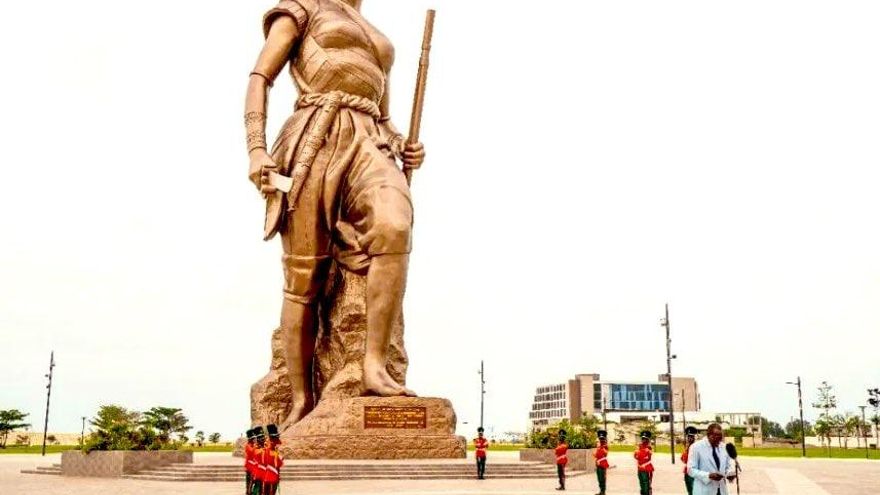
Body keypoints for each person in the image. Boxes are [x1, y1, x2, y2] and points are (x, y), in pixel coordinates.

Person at [244, 0, 427, 427]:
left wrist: (402, 143)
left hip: (370, 142)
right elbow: (259, 78)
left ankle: (374, 367)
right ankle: (300, 396)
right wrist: (255, 148)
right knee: (305, 277)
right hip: (315, 135)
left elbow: (383, 114)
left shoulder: (372, 31)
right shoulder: (302, 8)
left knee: (395, 226)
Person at [686, 423, 737, 495]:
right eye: (716, 438)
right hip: (704, 491)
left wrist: (730, 474)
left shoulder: (724, 447)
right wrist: (708, 475)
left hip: (722, 490)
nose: (718, 442)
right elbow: (690, 470)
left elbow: (728, 466)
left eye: (720, 438)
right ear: (708, 435)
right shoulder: (696, 447)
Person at [261, 424, 284, 495]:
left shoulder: (266, 450)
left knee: (266, 491)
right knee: (271, 491)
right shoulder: (273, 453)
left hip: (267, 474)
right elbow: (279, 464)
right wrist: (280, 458)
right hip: (272, 474)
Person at [633, 431, 654, 495]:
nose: (643, 440)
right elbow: (635, 456)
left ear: (648, 440)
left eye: (645, 439)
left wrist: (638, 453)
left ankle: (646, 493)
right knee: (641, 481)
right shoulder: (639, 447)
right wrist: (637, 453)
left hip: (646, 467)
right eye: (642, 439)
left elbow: (646, 457)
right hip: (639, 467)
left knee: (645, 482)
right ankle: (642, 492)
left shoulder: (648, 448)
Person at [682, 426, 698, 495]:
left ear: (694, 437)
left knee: (693, 490)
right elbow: (683, 459)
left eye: (691, 437)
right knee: (689, 490)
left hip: (694, 471)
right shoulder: (687, 447)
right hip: (687, 471)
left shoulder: (696, 447)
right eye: (688, 437)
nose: (689, 438)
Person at [594, 429, 611, 495]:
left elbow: (605, 453)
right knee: (599, 478)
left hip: (603, 465)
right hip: (598, 464)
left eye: (602, 438)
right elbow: (597, 455)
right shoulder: (599, 446)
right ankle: (601, 490)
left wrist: (602, 447)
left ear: (605, 439)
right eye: (600, 438)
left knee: (602, 478)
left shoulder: (605, 446)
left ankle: (603, 491)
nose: (601, 440)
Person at [250, 427, 266, 495]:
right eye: (262, 438)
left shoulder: (265, 448)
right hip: (258, 472)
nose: (264, 439)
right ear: (258, 439)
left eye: (263, 438)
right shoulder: (255, 449)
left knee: (263, 489)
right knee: (257, 487)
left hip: (265, 471)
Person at [244, 428, 257, 495]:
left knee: (252, 482)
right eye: (253, 438)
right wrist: (255, 446)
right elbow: (252, 452)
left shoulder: (252, 445)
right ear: (251, 439)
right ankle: (248, 493)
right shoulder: (248, 446)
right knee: (249, 483)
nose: (255, 440)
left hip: (253, 467)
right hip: (249, 467)